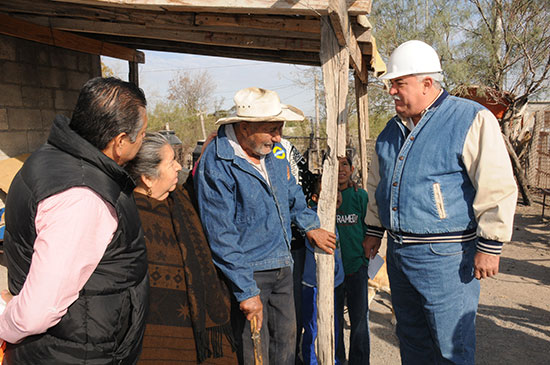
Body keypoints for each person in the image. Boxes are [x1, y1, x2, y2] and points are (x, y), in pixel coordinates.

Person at [363, 40, 518, 364]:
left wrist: (490, 244)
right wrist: (373, 231)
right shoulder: (390, 131)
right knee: (411, 339)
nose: (391, 91)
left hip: (447, 258)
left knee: (451, 348)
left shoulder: (469, 118)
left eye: (399, 84)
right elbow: (378, 184)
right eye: (391, 84)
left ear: (427, 83)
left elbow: (497, 183)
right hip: (401, 253)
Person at [0, 77, 150, 364]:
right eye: (141, 135)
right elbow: (37, 311)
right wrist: (6, 324)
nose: (144, 140)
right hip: (74, 352)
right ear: (119, 142)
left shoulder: (54, 156)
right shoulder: (83, 197)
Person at [194, 87, 337, 364]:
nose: (278, 136)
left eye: (279, 128)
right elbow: (220, 232)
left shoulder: (273, 151)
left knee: (286, 342)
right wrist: (247, 291)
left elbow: (291, 191)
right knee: (254, 349)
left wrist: (310, 225)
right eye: (271, 129)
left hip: (283, 264)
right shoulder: (218, 161)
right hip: (249, 272)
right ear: (245, 127)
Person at [125, 132, 237, 364]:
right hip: (154, 342)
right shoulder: (130, 218)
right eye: (170, 162)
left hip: (197, 335)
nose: (178, 166)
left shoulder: (180, 202)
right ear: (147, 176)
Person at [301, 181, 345, 365]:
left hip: (335, 283)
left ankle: (331, 360)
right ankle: (311, 361)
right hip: (314, 285)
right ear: (315, 199)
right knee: (313, 328)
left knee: (332, 327)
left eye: (335, 191)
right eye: (326, 193)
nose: (333, 196)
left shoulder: (333, 217)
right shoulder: (312, 219)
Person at [335, 155, 370, 365]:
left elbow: (369, 230)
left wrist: (365, 260)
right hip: (333, 270)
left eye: (345, 165)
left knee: (359, 322)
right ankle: (337, 359)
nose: (341, 170)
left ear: (352, 168)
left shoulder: (360, 196)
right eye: (336, 165)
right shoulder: (324, 197)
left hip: (356, 266)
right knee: (334, 320)